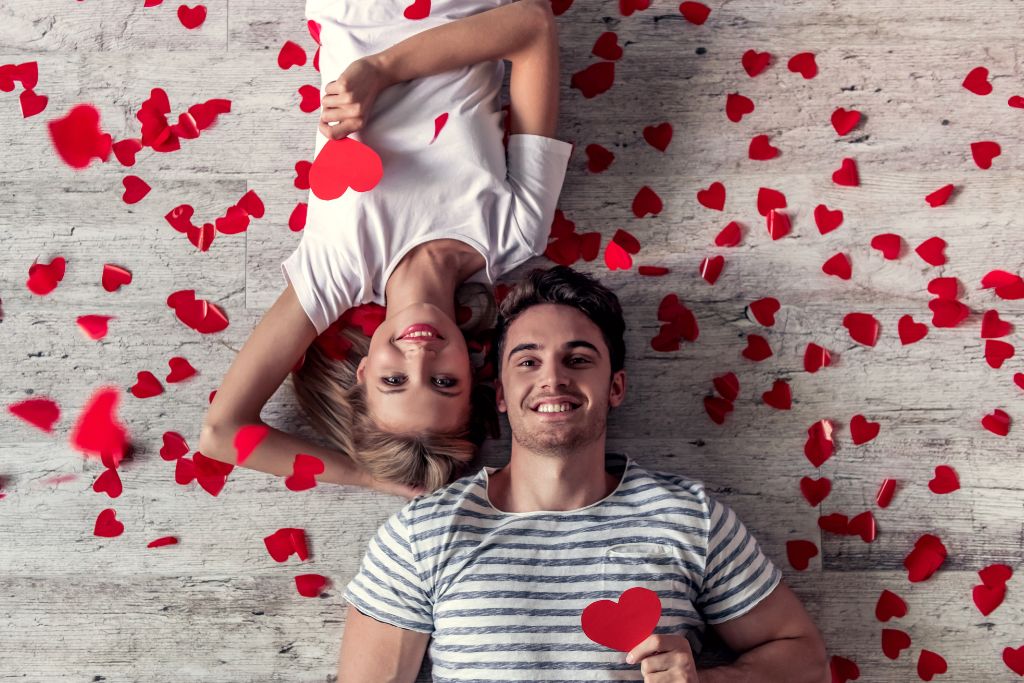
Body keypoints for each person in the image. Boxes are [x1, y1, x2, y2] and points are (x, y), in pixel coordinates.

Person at [337, 266, 829, 682]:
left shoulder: (691, 519)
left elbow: (806, 659)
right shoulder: (422, 534)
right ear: (502, 395)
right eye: (528, 361)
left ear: (615, 387)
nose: (553, 378)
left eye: (578, 359)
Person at [198, 0, 572, 496]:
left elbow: (221, 434)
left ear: (364, 371)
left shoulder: (335, 272)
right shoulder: (516, 233)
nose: (419, 356)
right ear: (475, 372)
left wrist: (369, 476)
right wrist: (379, 71)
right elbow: (531, 25)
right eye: (444, 383)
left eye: (393, 382)